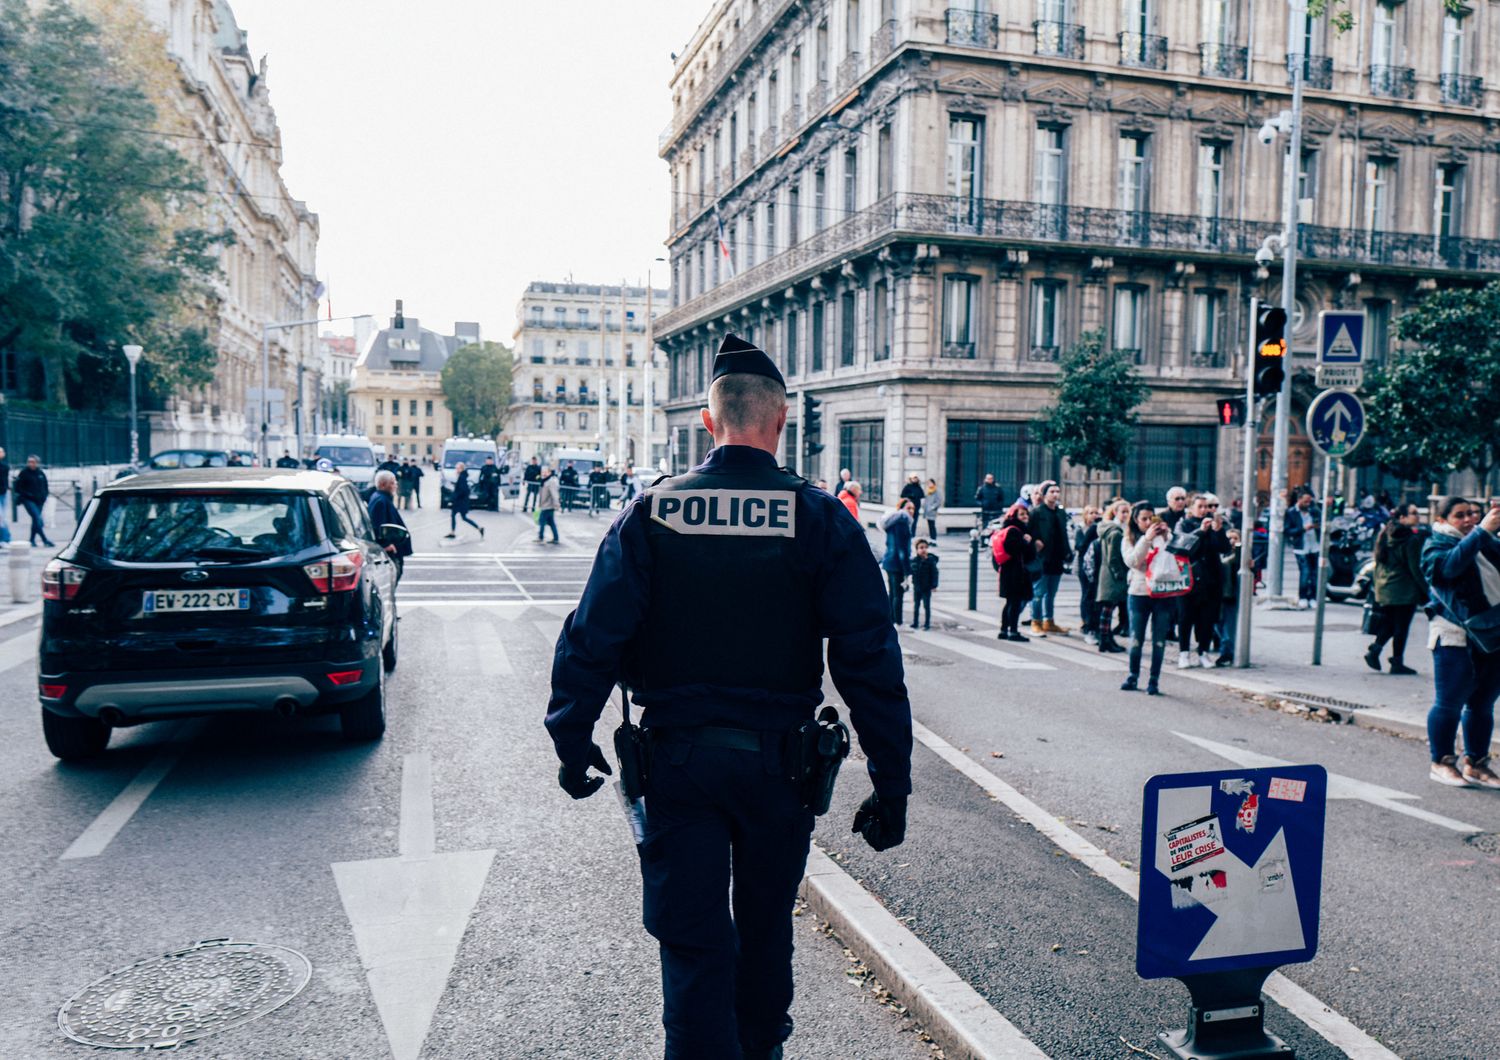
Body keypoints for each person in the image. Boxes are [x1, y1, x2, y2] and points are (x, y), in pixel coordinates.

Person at [544, 334, 912, 1059]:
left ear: (709, 424)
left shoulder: (650, 514)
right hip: (781, 769)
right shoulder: (820, 518)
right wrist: (891, 783)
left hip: (679, 767)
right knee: (767, 935)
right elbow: (869, 658)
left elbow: (593, 635)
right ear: (780, 423)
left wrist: (571, 734)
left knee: (692, 945)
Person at [1420, 497, 1500, 788]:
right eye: (1460, 515)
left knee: (1482, 704)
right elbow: (1447, 570)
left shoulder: (1484, 540)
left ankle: (1476, 763)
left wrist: (1488, 532)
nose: (1468, 520)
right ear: (1442, 520)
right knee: (1450, 702)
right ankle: (1441, 761)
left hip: (1492, 632)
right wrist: (1480, 532)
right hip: (1454, 633)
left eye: (1473, 514)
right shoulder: (1435, 545)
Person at [1366, 503, 1426, 676]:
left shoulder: (1385, 533)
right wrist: (1426, 591)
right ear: (1402, 518)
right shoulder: (1410, 539)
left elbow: (1378, 563)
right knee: (1401, 626)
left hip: (1386, 587)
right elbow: (1415, 568)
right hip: (1403, 589)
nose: (1418, 516)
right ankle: (1397, 661)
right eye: (1413, 513)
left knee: (1391, 623)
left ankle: (1375, 650)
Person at [1123, 501, 1175, 695]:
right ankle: (1132, 675)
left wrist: (1167, 536)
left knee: (1159, 640)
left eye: (1150, 518)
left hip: (1163, 593)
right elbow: (1132, 561)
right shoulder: (1129, 538)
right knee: (1136, 638)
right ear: (1136, 520)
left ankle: (1154, 680)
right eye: (1143, 519)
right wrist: (1146, 540)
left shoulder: (1164, 538)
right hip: (1139, 592)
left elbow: (1176, 557)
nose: (1147, 522)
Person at [1176, 493, 1230, 669]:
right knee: (1186, 617)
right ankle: (1184, 653)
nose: (1204, 510)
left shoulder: (1213, 524)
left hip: (1211, 579)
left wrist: (1219, 531)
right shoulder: (1184, 523)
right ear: (1191, 508)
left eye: (1206, 507)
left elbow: (1224, 548)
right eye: (1200, 506)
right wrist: (1200, 530)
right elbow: (1183, 546)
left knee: (1207, 619)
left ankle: (1203, 652)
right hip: (1189, 579)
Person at [1027, 480, 1071, 636]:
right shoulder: (1036, 512)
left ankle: (1049, 621)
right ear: (1045, 494)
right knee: (1038, 592)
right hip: (1042, 558)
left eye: (1057, 491)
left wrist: (1068, 552)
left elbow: (1064, 534)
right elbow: (1027, 533)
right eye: (1052, 491)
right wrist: (1035, 542)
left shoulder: (1060, 512)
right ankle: (1035, 621)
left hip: (1057, 557)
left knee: (1051, 593)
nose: (1056, 494)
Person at [993, 504, 1037, 642]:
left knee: (1010, 602)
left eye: (1026, 514)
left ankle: (1004, 630)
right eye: (1022, 514)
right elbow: (1018, 551)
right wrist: (1027, 542)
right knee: (1015, 602)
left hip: (1008, 571)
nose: (1025, 517)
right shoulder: (1016, 531)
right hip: (1016, 572)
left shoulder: (1010, 530)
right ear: (1015, 516)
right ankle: (1013, 631)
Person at [1094, 500, 1130, 654]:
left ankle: (1106, 639)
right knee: (1108, 608)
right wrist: (1120, 575)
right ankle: (1105, 640)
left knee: (1108, 608)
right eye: (1123, 511)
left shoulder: (1111, 528)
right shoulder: (1115, 532)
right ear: (1115, 512)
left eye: (1128, 511)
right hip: (1112, 575)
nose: (1126, 515)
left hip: (1108, 573)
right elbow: (1113, 557)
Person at [367, 469, 412, 579]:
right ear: (383, 485)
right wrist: (386, 545)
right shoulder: (381, 501)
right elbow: (378, 526)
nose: (396, 485)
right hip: (390, 552)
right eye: (392, 482)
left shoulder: (382, 499)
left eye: (395, 482)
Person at [881, 499, 914, 624]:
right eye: (908, 508)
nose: (911, 511)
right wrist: (907, 570)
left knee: (893, 592)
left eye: (913, 509)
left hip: (889, 561)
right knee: (898, 594)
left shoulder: (892, 523)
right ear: (901, 509)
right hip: (897, 563)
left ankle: (891, 618)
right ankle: (898, 621)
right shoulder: (902, 523)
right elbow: (902, 550)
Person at [1286, 490, 1321, 608]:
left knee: (1314, 573)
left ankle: (1313, 597)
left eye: (1309, 502)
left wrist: (1317, 526)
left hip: (1314, 546)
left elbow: (1320, 522)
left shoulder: (1314, 511)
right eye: (1305, 502)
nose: (1308, 504)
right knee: (1305, 573)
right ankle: (1303, 597)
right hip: (1301, 547)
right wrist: (1303, 529)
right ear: (1299, 500)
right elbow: (1288, 530)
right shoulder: (1291, 512)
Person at [1074, 504, 1102, 643]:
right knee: (1086, 594)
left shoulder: (1100, 528)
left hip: (1097, 566)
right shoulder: (1081, 529)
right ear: (1085, 515)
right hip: (1084, 566)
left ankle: (1093, 621)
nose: (1094, 515)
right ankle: (1085, 620)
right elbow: (1080, 546)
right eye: (1091, 513)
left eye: (1096, 512)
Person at [14, 455, 53, 548]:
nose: (31, 464)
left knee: (36, 520)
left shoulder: (40, 473)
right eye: (29, 462)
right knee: (37, 518)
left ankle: (32, 540)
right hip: (28, 499)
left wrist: (45, 495)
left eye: (33, 462)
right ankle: (44, 539)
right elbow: (18, 487)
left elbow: (45, 486)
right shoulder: (24, 473)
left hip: (40, 500)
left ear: (37, 463)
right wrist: (27, 494)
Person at [1217, 528, 1242, 667]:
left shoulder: (1240, 556)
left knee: (1228, 627)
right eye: (1229, 538)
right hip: (1217, 595)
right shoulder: (1220, 553)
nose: (1232, 541)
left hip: (1231, 595)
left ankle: (1227, 652)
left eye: (1235, 538)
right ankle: (1227, 649)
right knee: (1217, 624)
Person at [445, 462, 483, 539]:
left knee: (461, 517)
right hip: (461, 501)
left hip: (460, 502)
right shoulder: (462, 476)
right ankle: (478, 528)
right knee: (459, 516)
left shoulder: (462, 477)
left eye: (458, 468)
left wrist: (455, 496)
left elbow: (463, 490)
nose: (456, 469)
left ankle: (479, 528)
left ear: (461, 469)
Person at [910, 537, 938, 630]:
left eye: (925, 547)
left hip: (926, 587)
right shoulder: (914, 560)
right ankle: (915, 622)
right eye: (921, 548)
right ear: (917, 550)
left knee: (927, 606)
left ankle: (927, 624)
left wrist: (934, 585)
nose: (924, 550)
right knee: (916, 606)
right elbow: (911, 571)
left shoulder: (930, 561)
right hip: (917, 587)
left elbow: (935, 573)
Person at [536, 465, 560, 544]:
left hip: (548, 506)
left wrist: (557, 505)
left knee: (542, 521)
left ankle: (541, 537)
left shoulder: (550, 482)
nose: (544, 473)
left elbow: (554, 494)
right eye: (543, 472)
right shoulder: (545, 481)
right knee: (551, 522)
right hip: (545, 505)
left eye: (546, 472)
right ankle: (556, 538)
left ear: (549, 473)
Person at [920, 478, 942, 545]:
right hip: (927, 511)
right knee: (930, 526)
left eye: (930, 483)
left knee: (932, 526)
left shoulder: (937, 491)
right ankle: (931, 540)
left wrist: (932, 507)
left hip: (932, 511)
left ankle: (934, 540)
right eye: (928, 483)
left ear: (933, 483)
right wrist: (923, 506)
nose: (929, 484)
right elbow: (925, 500)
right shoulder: (928, 491)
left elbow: (939, 501)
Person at [0, 445, 10, 547]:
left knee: (2, 517)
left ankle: (5, 538)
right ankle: (5, 538)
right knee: (1, 517)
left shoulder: (5, 466)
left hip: (3, 492)